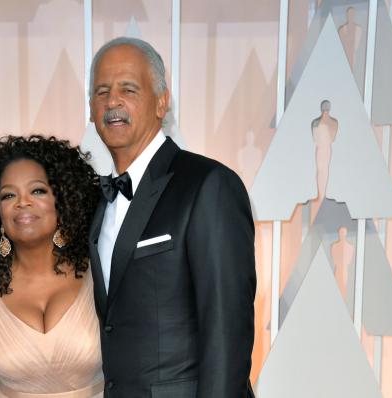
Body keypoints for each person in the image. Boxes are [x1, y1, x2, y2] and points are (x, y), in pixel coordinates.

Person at [88, 37, 256, 397]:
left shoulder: (209, 186)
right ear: (90, 108)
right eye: (101, 91)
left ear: (162, 101)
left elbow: (227, 332)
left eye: (128, 89)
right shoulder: (96, 202)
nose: (112, 101)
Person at [0, 135, 104, 397]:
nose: (22, 202)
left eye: (37, 190)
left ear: (62, 200)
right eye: (8, 195)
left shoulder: (100, 274)